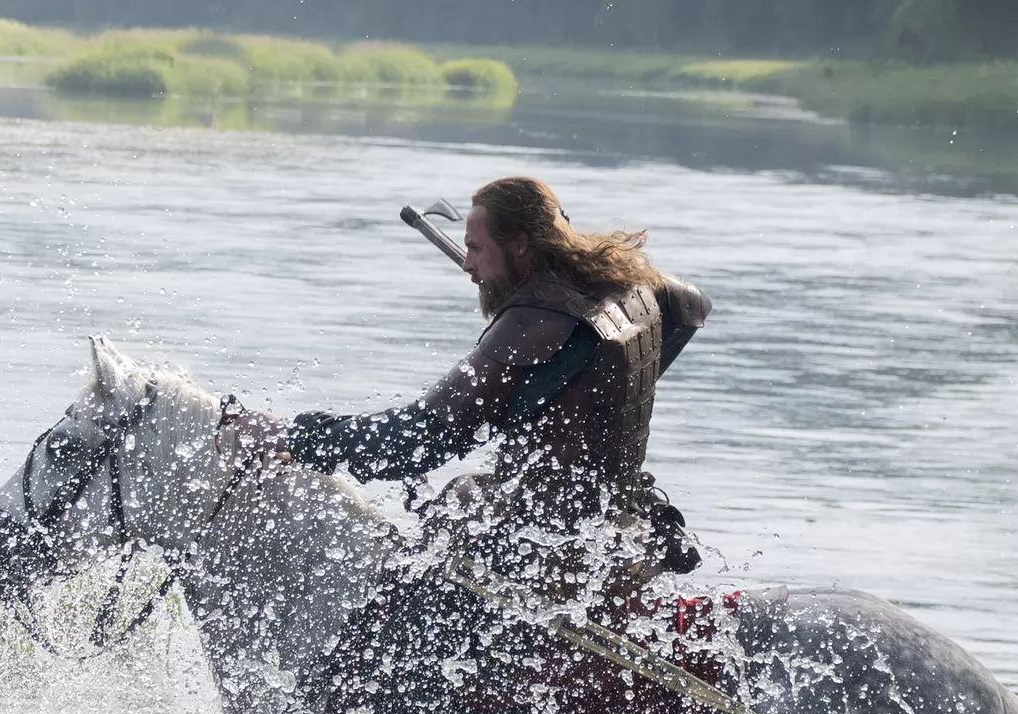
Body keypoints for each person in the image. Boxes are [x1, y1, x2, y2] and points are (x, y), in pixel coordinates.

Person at [251, 174, 709, 612]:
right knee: (463, 493)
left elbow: (419, 438)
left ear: (522, 245)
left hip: (550, 547)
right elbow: (693, 305)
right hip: (614, 518)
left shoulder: (535, 322)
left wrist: (297, 437)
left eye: (477, 249)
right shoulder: (627, 285)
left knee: (422, 562)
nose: (468, 264)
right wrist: (594, 379)